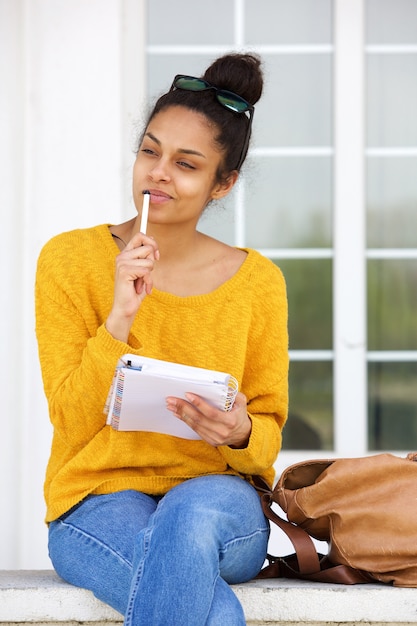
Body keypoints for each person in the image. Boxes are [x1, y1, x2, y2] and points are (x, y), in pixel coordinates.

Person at [35, 52, 288, 626]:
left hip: (219, 500)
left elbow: (268, 435)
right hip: (97, 501)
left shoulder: (259, 283)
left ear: (223, 184)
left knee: (188, 517)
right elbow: (71, 419)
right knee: (209, 609)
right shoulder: (70, 261)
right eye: (150, 151)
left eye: (186, 164)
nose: (158, 173)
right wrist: (120, 317)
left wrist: (240, 429)